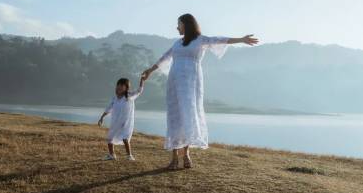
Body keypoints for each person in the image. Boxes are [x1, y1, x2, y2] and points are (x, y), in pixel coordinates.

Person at [141, 13, 258, 169]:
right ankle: (174, 158)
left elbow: (221, 39)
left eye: (179, 24)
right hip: (174, 82)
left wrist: (241, 39)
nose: (177, 27)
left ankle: (186, 154)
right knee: (175, 116)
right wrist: (150, 70)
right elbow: (165, 57)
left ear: (187, 25)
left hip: (191, 83)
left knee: (188, 116)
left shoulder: (200, 40)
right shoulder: (176, 44)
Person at [98, 76, 145, 161]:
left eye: (122, 85)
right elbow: (109, 108)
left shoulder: (129, 96)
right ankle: (111, 155)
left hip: (126, 122)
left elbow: (139, 91)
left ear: (126, 87)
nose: (119, 87)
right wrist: (102, 117)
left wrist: (142, 81)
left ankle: (129, 156)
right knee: (109, 138)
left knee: (125, 138)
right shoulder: (114, 98)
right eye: (118, 85)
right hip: (115, 122)